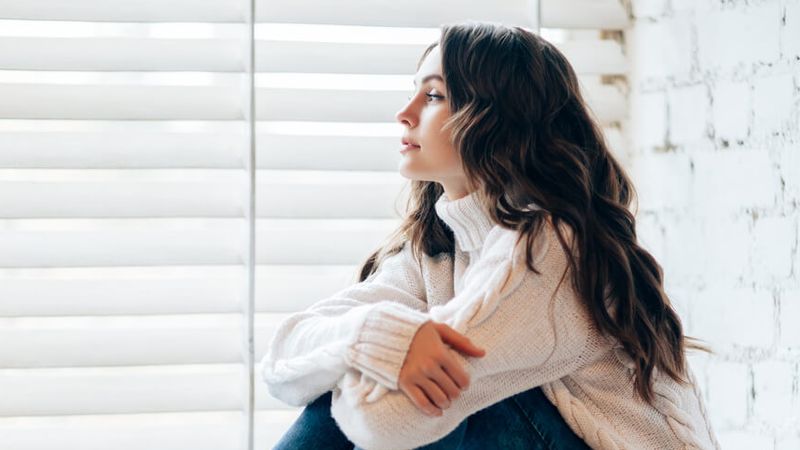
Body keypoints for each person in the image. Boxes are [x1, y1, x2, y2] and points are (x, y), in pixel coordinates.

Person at [263, 21, 721, 450]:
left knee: (439, 394)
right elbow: (282, 360)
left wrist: (364, 356)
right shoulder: (436, 253)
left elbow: (386, 417)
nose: (404, 114)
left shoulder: (551, 246)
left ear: (497, 118)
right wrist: (369, 337)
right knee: (380, 366)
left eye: (434, 96)